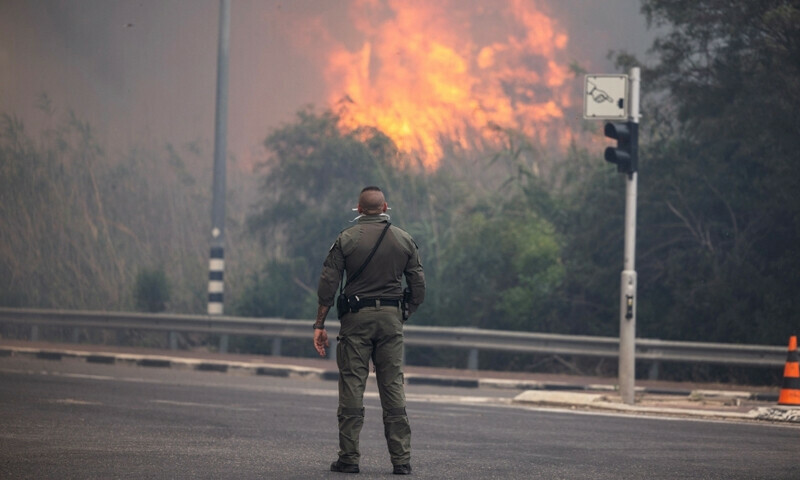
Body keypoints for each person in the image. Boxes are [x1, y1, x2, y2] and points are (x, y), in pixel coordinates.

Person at [314, 186, 425, 475]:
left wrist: (319, 324)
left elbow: (328, 284)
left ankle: (349, 458)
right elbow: (418, 286)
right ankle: (401, 461)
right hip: (391, 319)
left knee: (352, 384)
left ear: (359, 209)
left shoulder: (346, 239)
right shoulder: (404, 239)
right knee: (393, 386)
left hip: (356, 320)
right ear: (385, 207)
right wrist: (403, 313)